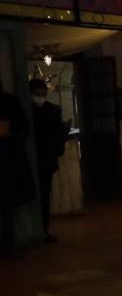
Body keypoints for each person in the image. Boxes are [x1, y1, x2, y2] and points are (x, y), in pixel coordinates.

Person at [29, 78, 67, 242]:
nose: (41, 97)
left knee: (44, 196)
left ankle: (43, 230)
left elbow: (58, 134)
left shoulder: (50, 110)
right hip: (35, 159)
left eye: (43, 93)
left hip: (45, 159)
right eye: (38, 94)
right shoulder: (34, 110)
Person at [0, 83, 34, 255]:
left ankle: (9, 244)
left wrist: (9, 130)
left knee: (7, 207)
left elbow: (22, 128)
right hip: (8, 162)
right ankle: (9, 244)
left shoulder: (8, 102)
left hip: (7, 163)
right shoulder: (9, 101)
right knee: (7, 207)